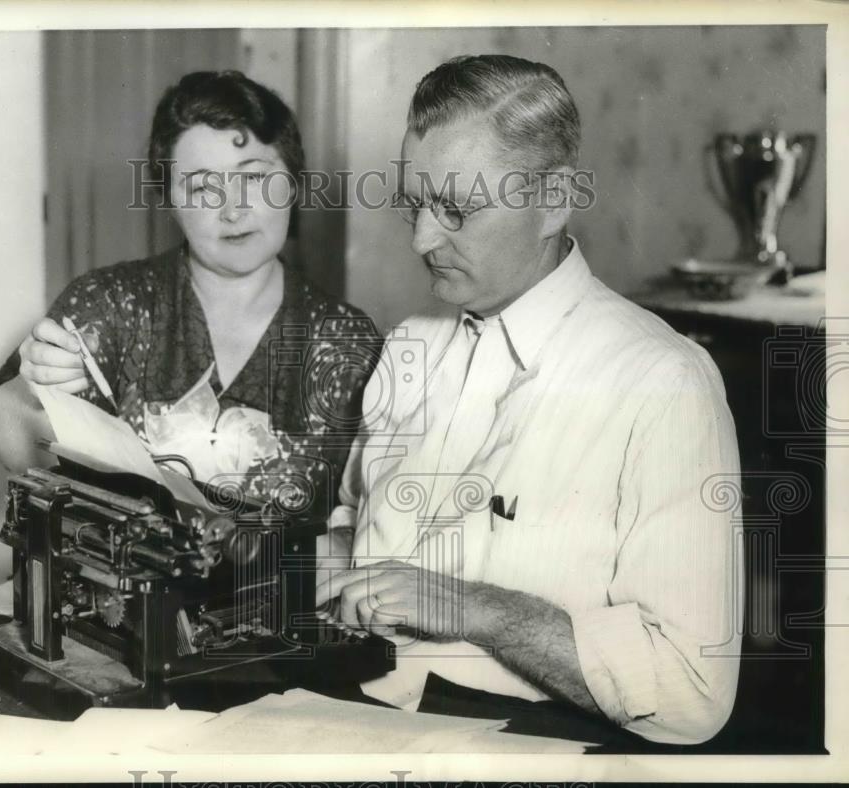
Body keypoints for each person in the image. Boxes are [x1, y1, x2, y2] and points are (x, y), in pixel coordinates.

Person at [316, 55, 743, 745]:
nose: (424, 239)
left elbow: (692, 693)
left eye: (456, 209)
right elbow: (355, 533)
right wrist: (303, 562)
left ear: (555, 199)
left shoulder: (662, 382)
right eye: (412, 206)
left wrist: (470, 607)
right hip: (355, 718)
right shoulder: (407, 348)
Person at [0, 70, 380, 513]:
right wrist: (28, 390)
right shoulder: (110, 304)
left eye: (253, 178)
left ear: (294, 182)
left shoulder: (347, 340)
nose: (234, 210)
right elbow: (8, 426)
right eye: (202, 187)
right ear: (168, 201)